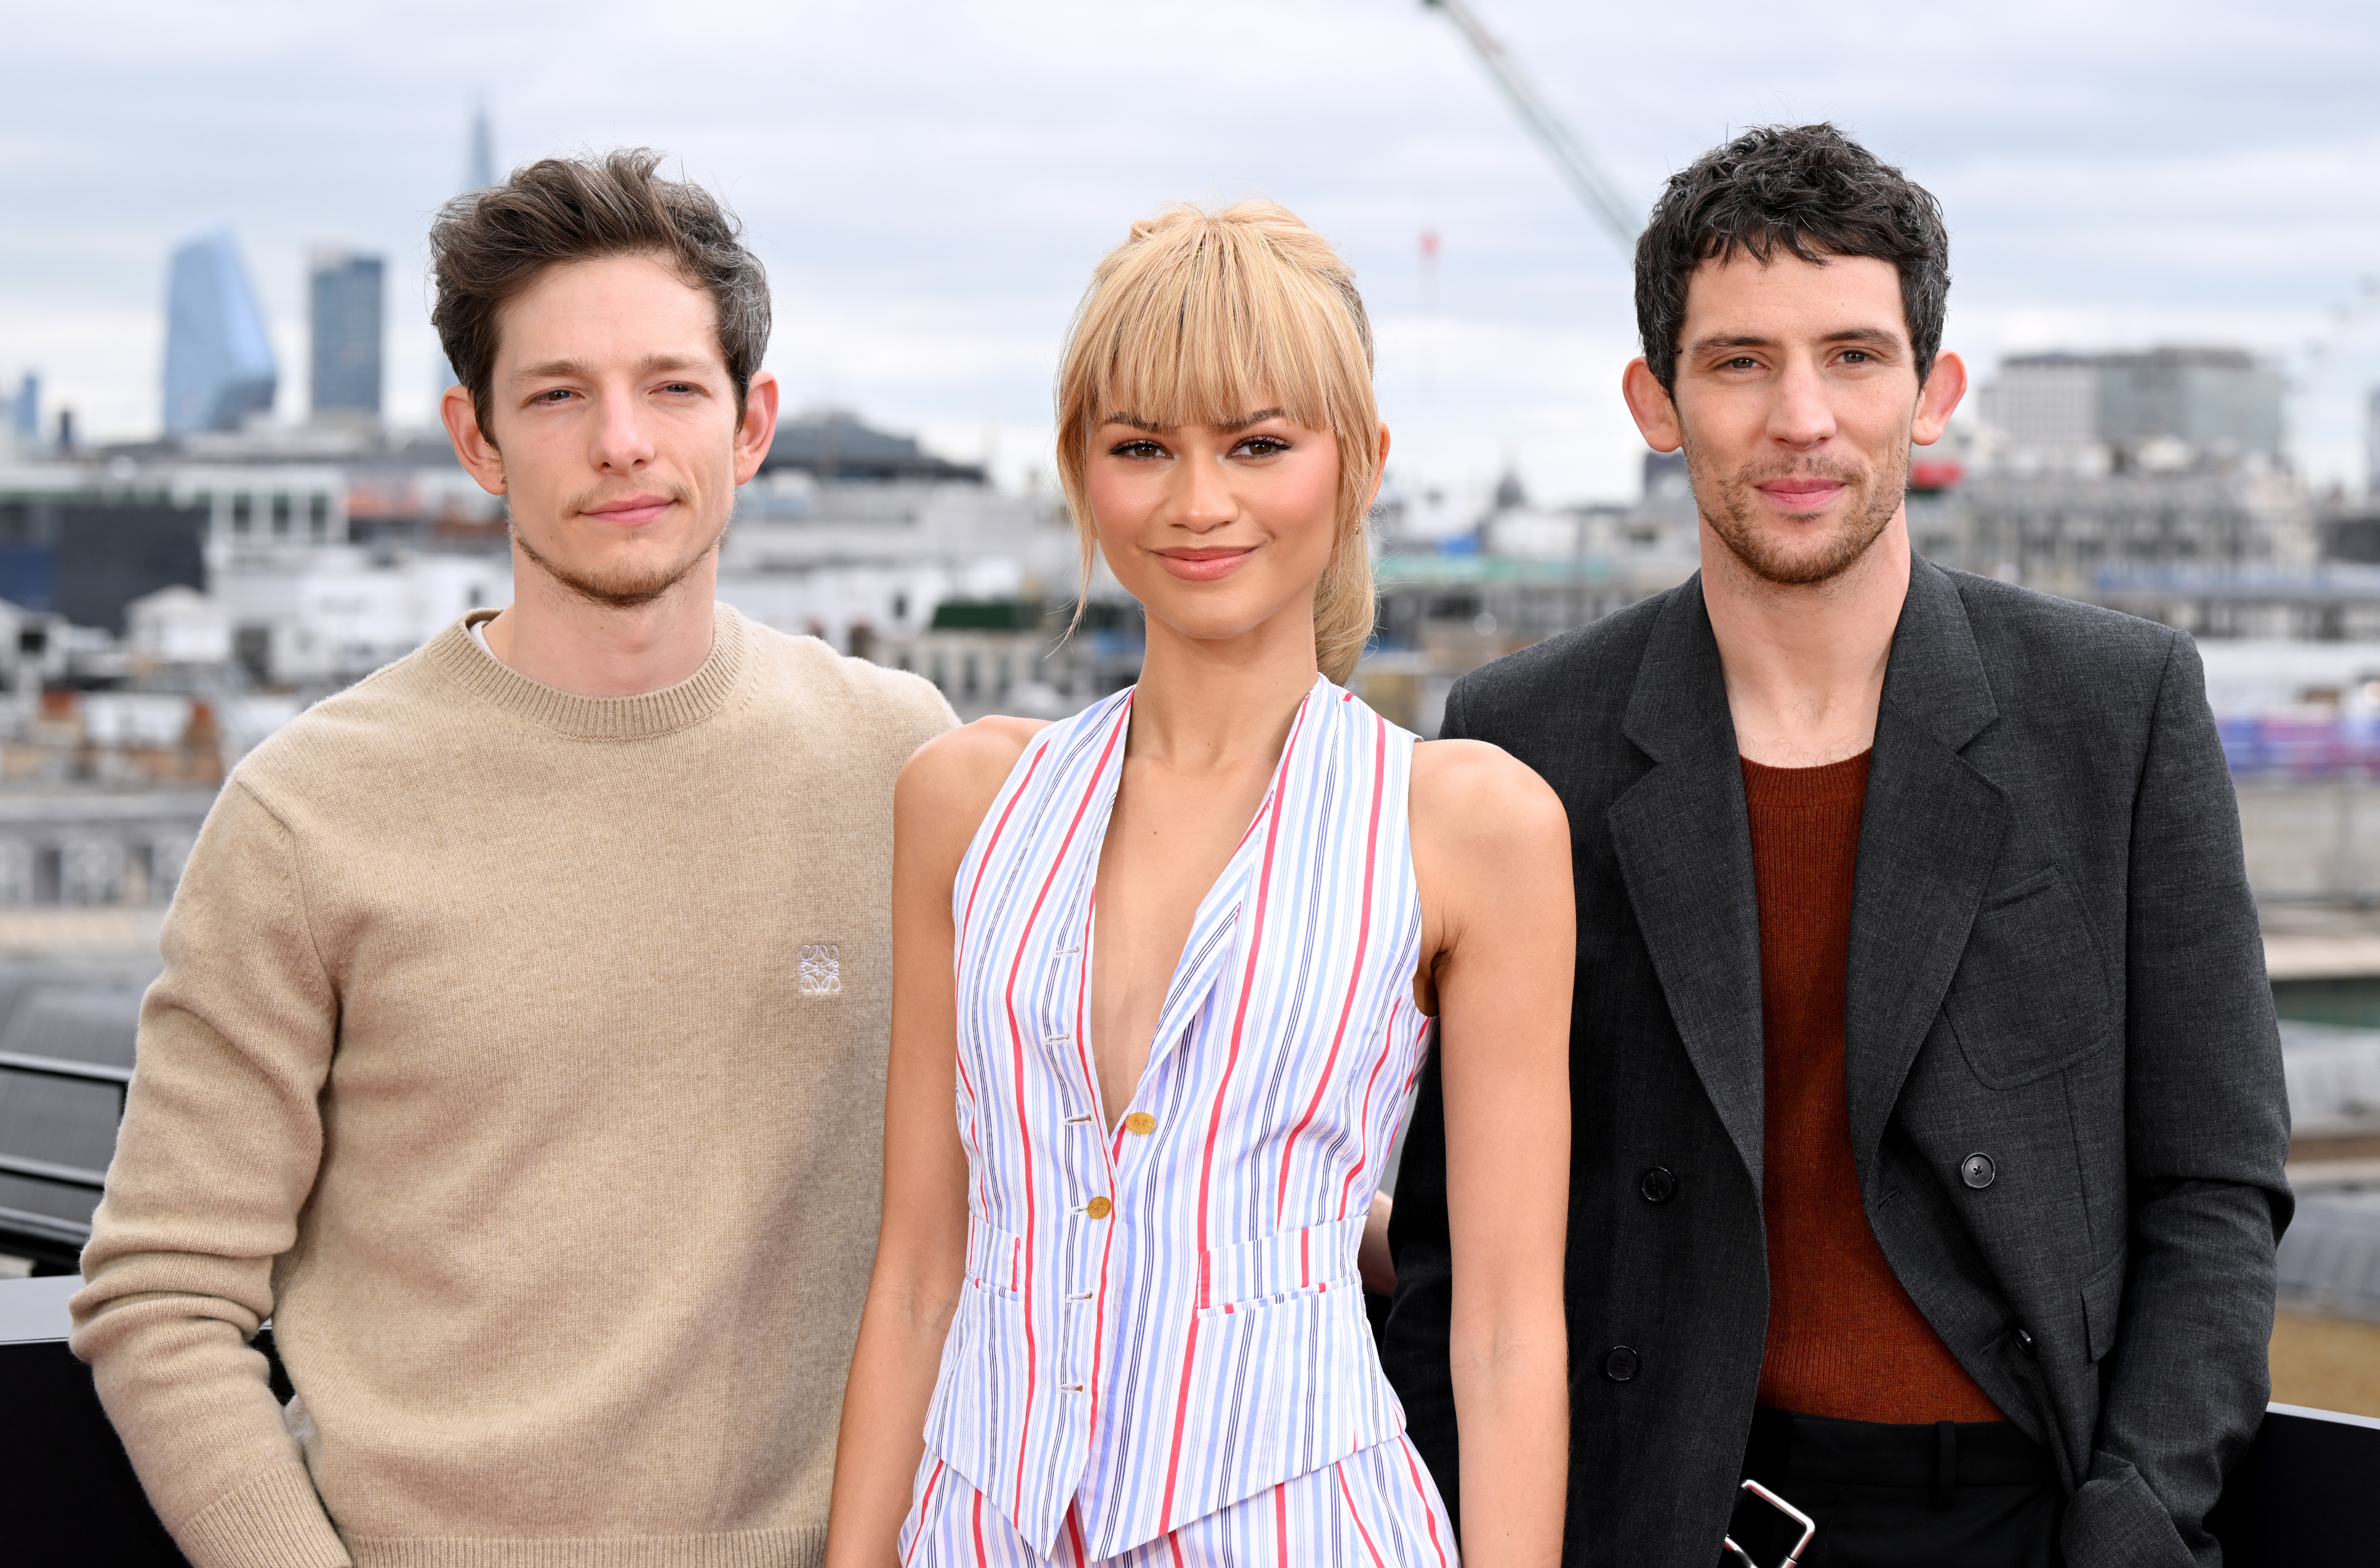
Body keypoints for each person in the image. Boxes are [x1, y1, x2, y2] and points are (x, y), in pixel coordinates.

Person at [1379, 124, 2293, 1568]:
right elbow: (1447, 1232)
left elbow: (2213, 1184)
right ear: (1654, 401)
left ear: (1933, 393)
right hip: (1653, 1514)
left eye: (1853, 356)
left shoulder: (2114, 708)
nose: (1799, 417)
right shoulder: (1518, 737)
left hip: (2019, 1518)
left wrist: (2128, 1520)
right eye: (1738, 361)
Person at [71, 149, 953, 1568]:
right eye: (558, 395)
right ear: (476, 441)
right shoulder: (310, 812)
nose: (621, 442)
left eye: (672, 386)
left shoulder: (900, 756)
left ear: (751, 425)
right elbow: (161, 1290)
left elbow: (1061, 1114)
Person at [822, 203, 1571, 1568]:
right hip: (973, 1528)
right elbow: (923, 1270)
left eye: (1257, 444)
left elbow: (1508, 1327)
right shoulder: (960, 801)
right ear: (1079, 471)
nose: (1196, 502)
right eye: (1140, 449)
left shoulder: (1468, 823)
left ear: (1360, 465)